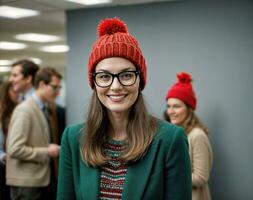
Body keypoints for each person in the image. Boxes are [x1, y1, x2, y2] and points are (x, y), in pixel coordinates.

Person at [57, 17, 191, 200]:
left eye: (126, 75)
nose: (116, 86)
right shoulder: (73, 138)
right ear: (94, 82)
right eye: (104, 76)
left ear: (139, 80)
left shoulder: (170, 140)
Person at [6, 67, 62, 200]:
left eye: (59, 88)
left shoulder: (45, 108)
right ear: (42, 84)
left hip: (40, 180)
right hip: (27, 184)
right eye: (55, 87)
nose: (58, 92)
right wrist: (47, 152)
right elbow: (14, 149)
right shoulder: (25, 110)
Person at [164, 72, 213, 200]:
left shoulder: (197, 136)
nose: (170, 111)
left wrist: (166, 173)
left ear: (188, 109)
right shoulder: (172, 134)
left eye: (176, 106)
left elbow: (201, 178)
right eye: (168, 106)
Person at [0, 82, 19, 200]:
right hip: (3, 166)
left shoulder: (19, 109)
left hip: (16, 165)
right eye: (14, 91)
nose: (18, 94)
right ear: (6, 93)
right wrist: (4, 156)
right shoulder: (2, 114)